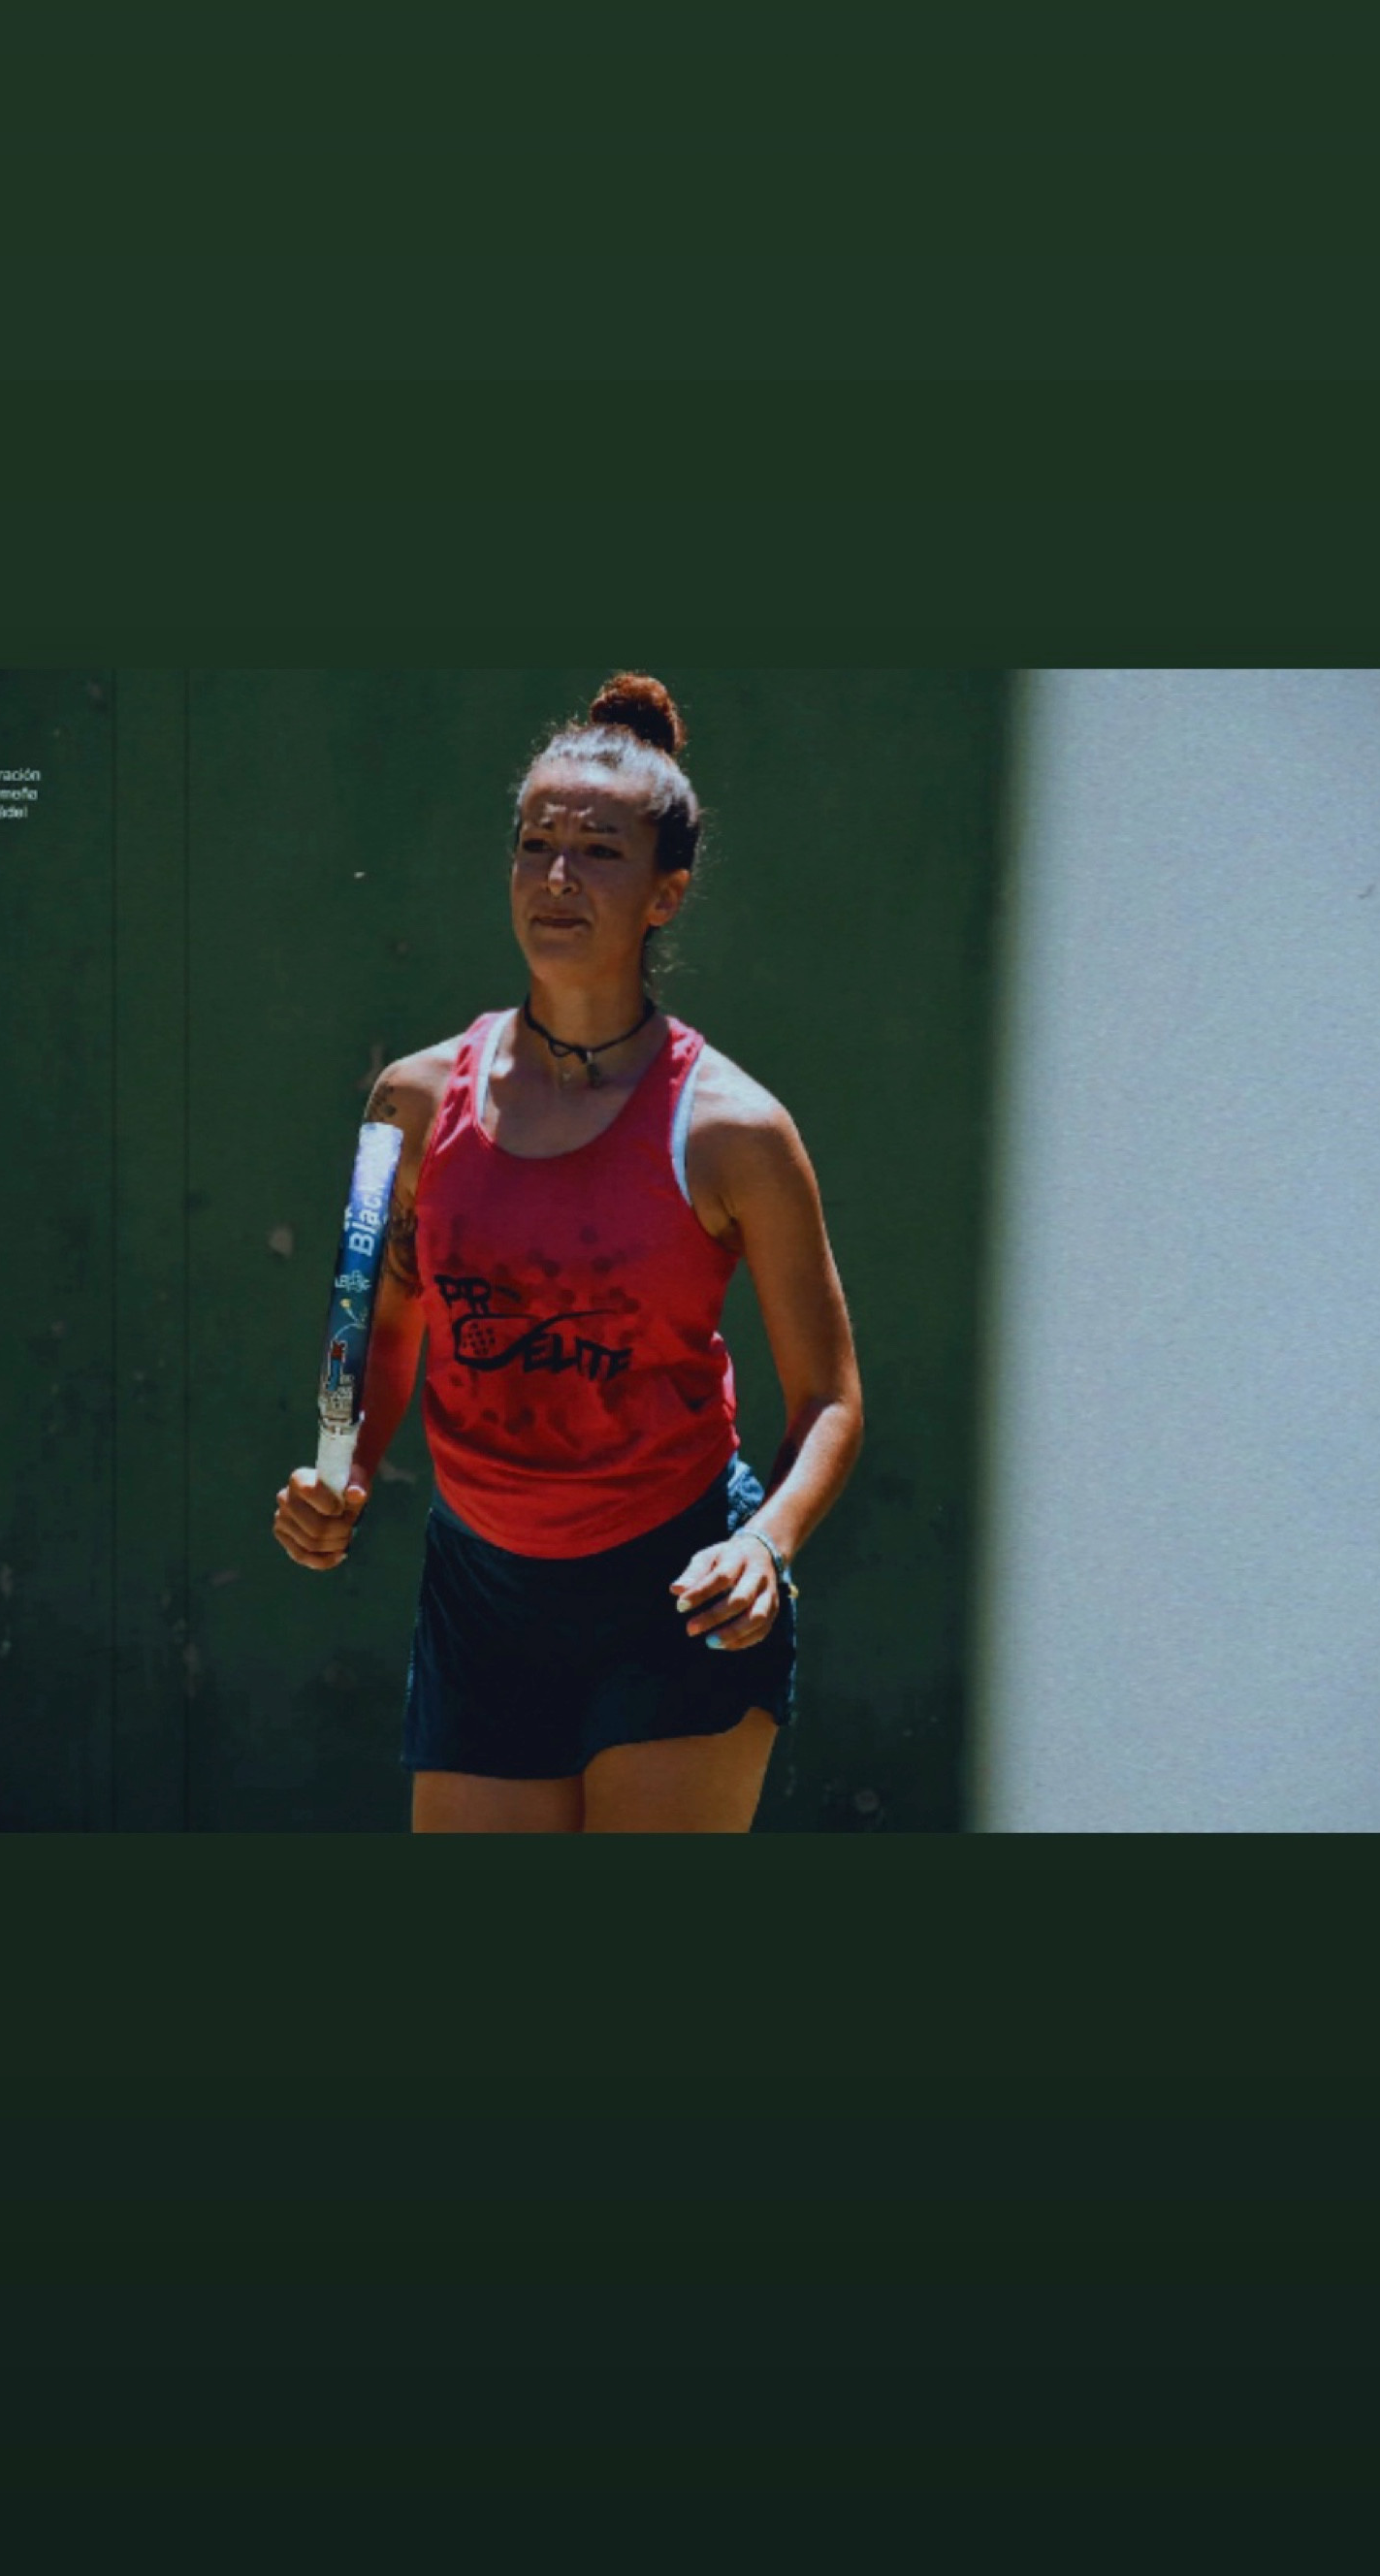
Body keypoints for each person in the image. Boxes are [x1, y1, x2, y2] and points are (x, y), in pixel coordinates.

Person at [272, 673, 863, 1833]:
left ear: (665, 894)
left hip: (679, 1591)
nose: (556, 876)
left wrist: (766, 1546)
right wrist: (345, 1472)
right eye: (535, 844)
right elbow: (381, 1328)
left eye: (598, 852)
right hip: (480, 1599)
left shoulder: (738, 1131)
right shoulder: (404, 1105)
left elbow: (831, 1400)